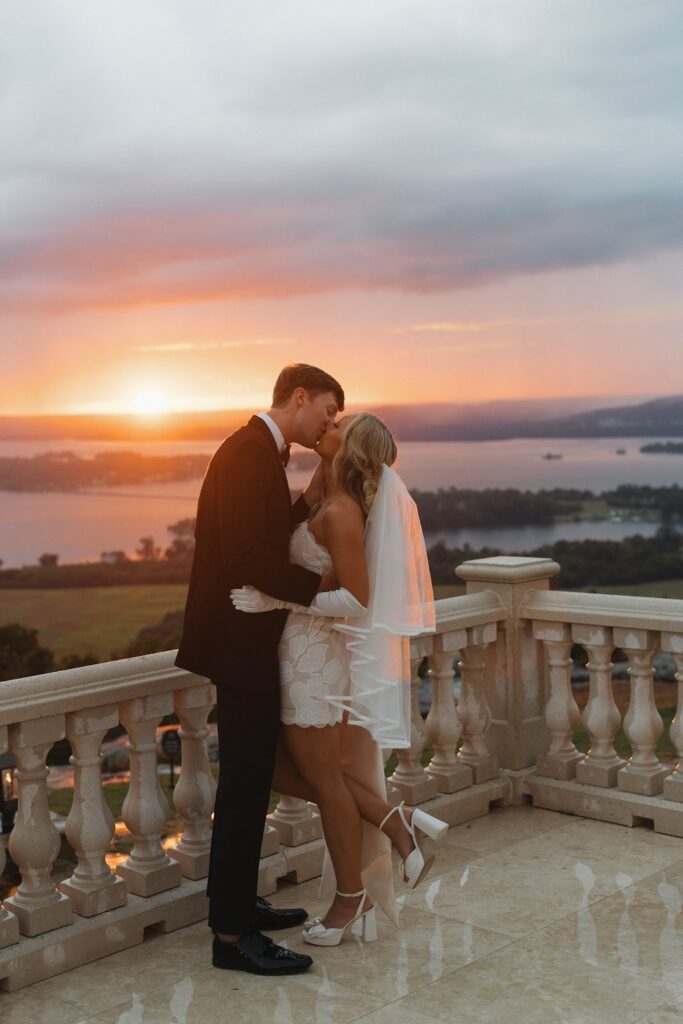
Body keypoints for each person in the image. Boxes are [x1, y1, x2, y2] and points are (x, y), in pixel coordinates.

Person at [230, 412, 447, 947]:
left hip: (312, 659)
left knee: (321, 782)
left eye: (336, 426)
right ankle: (396, 820)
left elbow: (357, 599)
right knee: (290, 772)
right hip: (299, 652)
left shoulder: (344, 513)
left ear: (344, 449)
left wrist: (275, 598)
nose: (326, 424)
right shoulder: (326, 501)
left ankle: (351, 898)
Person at [175, 363, 344, 976]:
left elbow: (265, 534)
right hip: (239, 646)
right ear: (299, 397)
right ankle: (232, 937)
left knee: (250, 785)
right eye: (327, 409)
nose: (331, 421)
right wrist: (323, 586)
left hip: (248, 642)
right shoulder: (248, 452)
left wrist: (314, 492)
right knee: (244, 790)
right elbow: (248, 556)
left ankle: (239, 904)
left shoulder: (260, 452)